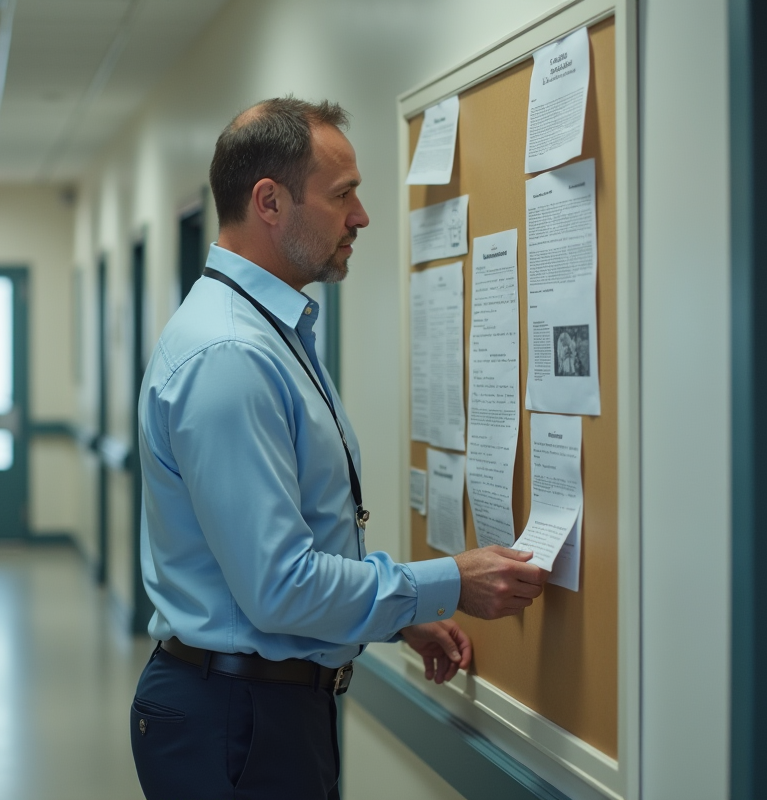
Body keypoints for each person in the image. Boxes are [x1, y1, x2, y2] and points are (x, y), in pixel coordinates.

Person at [130, 97, 546, 799]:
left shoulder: (269, 331)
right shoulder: (231, 354)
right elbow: (280, 588)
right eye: (342, 194)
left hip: (265, 705)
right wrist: (450, 582)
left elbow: (296, 544)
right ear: (269, 202)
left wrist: (398, 619)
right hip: (237, 720)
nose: (361, 217)